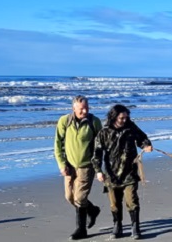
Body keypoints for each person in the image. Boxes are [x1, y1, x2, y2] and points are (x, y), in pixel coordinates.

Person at [92, 104, 153, 239]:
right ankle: (117, 225)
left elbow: (142, 138)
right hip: (111, 174)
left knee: (132, 200)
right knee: (114, 203)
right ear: (114, 117)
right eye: (122, 118)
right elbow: (97, 153)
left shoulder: (131, 128)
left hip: (129, 172)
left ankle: (135, 227)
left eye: (126, 117)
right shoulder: (104, 132)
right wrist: (98, 171)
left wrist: (146, 145)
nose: (125, 120)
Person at [54, 95, 103, 240]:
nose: (85, 111)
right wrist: (62, 164)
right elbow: (57, 144)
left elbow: (100, 146)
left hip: (86, 166)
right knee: (69, 197)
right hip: (69, 166)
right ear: (73, 108)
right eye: (81, 109)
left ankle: (81, 230)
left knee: (80, 198)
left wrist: (98, 167)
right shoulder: (64, 121)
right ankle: (92, 210)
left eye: (87, 108)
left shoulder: (94, 122)